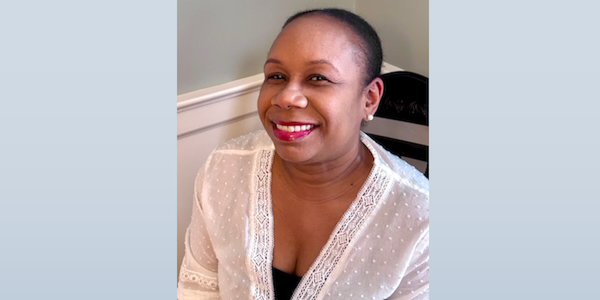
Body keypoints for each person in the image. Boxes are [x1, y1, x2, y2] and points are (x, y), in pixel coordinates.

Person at [177, 8, 429, 300]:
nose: (285, 97)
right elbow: (198, 288)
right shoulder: (223, 169)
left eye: (318, 78)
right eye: (277, 75)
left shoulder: (420, 220)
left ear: (369, 99)